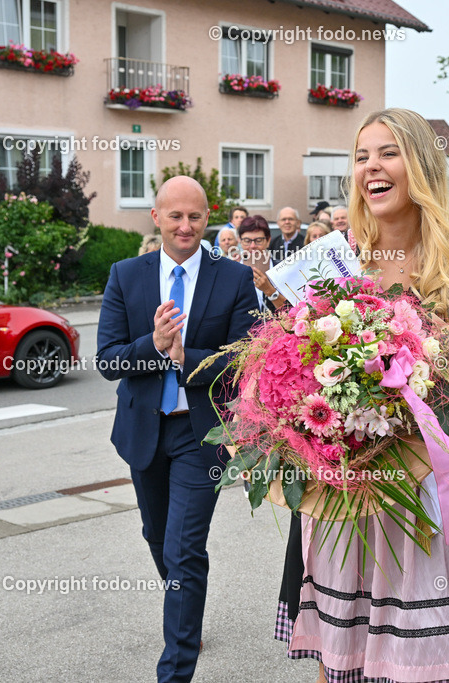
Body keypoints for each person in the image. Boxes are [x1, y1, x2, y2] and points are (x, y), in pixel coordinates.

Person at [281, 108, 449, 681]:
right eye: (361, 155)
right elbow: (294, 380)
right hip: (342, 494)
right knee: (340, 657)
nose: (371, 166)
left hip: (422, 494)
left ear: (420, 164)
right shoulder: (333, 264)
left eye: (388, 152)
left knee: (416, 662)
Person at [96, 176, 259, 682]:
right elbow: (107, 359)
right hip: (144, 433)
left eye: (194, 216)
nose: (185, 226)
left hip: (201, 435)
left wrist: (185, 354)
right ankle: (184, 605)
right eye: (175, 217)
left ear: (207, 215)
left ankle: (176, 668)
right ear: (156, 218)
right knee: (157, 536)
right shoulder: (126, 275)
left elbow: (244, 360)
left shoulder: (233, 277)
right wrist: (153, 343)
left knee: (184, 548)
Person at [237, 215, 278, 311]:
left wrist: (270, 291)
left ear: (268, 241)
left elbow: (291, 310)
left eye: (258, 241)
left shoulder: (280, 269)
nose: (252, 246)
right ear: (240, 241)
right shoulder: (231, 271)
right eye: (247, 241)